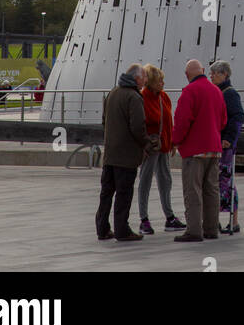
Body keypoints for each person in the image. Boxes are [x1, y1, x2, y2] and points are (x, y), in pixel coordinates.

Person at [95, 63, 154, 242]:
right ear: (136, 78)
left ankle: (102, 228)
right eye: (144, 77)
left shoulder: (113, 92)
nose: (145, 81)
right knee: (124, 194)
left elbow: (104, 121)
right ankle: (122, 230)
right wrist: (147, 143)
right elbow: (137, 126)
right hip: (126, 157)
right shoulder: (133, 97)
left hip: (110, 154)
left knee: (106, 193)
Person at [171, 58, 227, 242]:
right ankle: (211, 229)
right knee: (211, 189)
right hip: (214, 148)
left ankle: (194, 230)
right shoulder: (216, 91)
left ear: (187, 75)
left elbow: (182, 121)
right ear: (203, 70)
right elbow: (223, 120)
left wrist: (175, 141)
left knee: (193, 190)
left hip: (195, 150)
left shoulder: (189, 91)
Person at [138, 64, 185, 234]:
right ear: (150, 82)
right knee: (145, 181)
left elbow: (168, 121)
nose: (163, 83)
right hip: (150, 148)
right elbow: (141, 124)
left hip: (163, 146)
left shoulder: (163, 97)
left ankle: (169, 217)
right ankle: (143, 219)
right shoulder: (143, 98)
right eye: (160, 81)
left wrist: (172, 141)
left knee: (166, 181)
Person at [210, 60, 244, 233]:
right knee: (219, 181)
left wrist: (229, 139)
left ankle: (233, 220)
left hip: (225, 146)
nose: (212, 77)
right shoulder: (219, 91)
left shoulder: (229, 94)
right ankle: (217, 218)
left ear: (224, 74)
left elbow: (238, 116)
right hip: (219, 143)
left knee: (225, 182)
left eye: (215, 74)